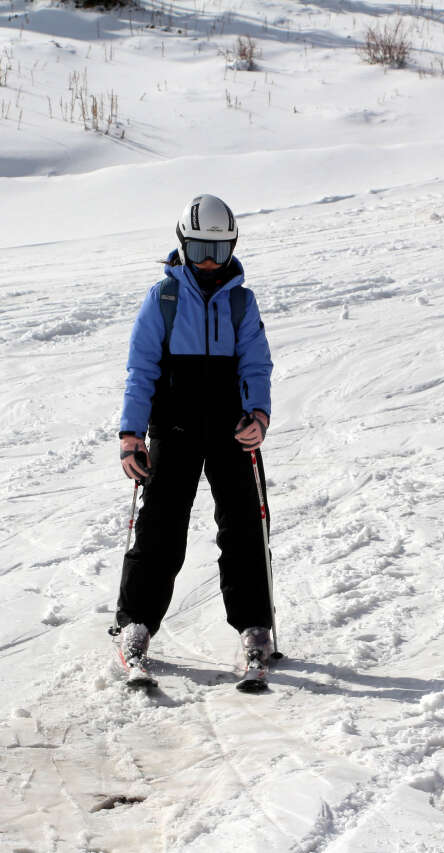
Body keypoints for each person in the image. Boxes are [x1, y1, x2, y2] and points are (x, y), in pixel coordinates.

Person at [113, 193, 275, 674]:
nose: (209, 261)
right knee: (160, 527)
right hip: (175, 427)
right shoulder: (162, 300)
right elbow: (140, 370)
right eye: (201, 249)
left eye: (220, 251)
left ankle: (253, 627)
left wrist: (258, 416)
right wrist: (130, 435)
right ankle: (136, 624)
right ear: (183, 244)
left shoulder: (242, 303)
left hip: (230, 431)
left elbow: (256, 365)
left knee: (243, 527)